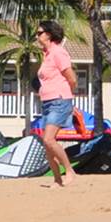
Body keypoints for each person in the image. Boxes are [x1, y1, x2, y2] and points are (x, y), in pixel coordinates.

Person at [32, 23, 77, 187]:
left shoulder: (58, 52)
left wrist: (66, 94)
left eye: (39, 33)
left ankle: (70, 171)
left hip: (59, 100)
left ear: (49, 34)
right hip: (47, 102)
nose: (37, 36)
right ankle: (57, 179)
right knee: (47, 144)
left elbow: (71, 78)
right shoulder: (47, 54)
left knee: (49, 139)